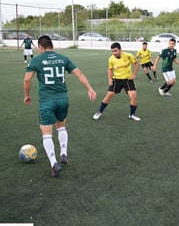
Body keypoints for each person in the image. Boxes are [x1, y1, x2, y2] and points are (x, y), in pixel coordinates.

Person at [24, 35, 96, 177]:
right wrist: (89, 89)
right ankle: (63, 153)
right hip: (63, 99)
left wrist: (27, 95)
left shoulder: (36, 60)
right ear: (52, 45)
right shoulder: (63, 58)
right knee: (61, 126)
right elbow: (79, 73)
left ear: (40, 47)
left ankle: (54, 163)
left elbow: (27, 79)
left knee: (46, 134)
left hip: (47, 101)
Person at [92, 42, 140, 121]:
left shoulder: (128, 56)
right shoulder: (111, 59)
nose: (114, 53)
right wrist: (110, 79)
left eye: (115, 51)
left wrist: (134, 74)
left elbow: (137, 64)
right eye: (112, 51)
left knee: (133, 96)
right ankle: (99, 112)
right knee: (109, 95)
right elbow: (110, 69)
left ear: (120, 49)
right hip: (116, 80)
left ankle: (132, 114)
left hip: (128, 80)